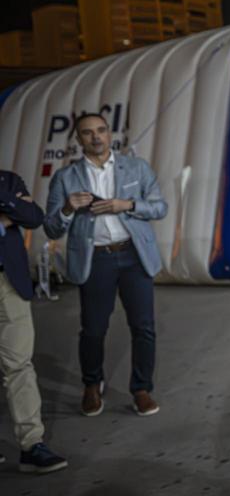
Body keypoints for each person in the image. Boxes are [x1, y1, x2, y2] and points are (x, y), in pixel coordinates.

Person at [44, 113, 168, 417]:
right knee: (93, 330)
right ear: (78, 139)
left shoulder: (136, 168)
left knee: (144, 328)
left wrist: (126, 205)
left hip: (133, 255)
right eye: (87, 133)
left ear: (110, 133)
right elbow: (51, 228)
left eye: (101, 130)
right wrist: (68, 208)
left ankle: (141, 389)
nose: (96, 137)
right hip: (94, 258)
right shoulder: (65, 178)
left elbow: (160, 206)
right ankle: (92, 384)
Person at [0, 170, 68, 473]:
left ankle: (32, 444)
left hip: (9, 282)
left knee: (19, 363)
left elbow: (33, 215)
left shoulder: (7, 180)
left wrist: (6, 201)